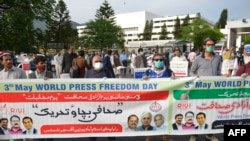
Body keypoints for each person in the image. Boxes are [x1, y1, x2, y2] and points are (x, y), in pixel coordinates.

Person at [189, 37, 220, 141]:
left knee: (211, 111)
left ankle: (209, 134)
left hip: (213, 90)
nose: (210, 47)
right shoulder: (198, 59)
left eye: (212, 45)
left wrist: (225, 76)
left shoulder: (217, 58)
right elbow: (191, 71)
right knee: (198, 111)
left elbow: (218, 72)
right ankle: (194, 134)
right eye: (208, 45)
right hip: (200, 90)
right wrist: (195, 75)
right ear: (204, 46)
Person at [85, 55, 115, 141]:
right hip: (93, 105)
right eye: (96, 61)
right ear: (92, 63)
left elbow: (116, 83)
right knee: (93, 126)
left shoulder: (107, 71)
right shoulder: (88, 73)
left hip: (107, 104)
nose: (99, 63)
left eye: (100, 61)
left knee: (109, 125)